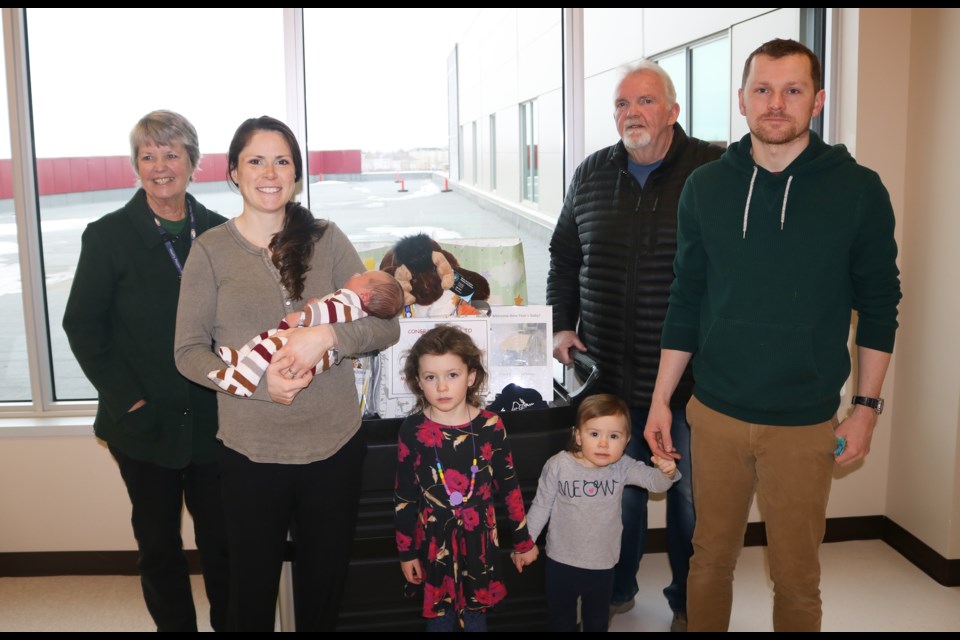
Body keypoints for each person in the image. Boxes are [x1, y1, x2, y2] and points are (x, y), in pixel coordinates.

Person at [644, 38, 902, 632]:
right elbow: (686, 299)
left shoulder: (858, 190)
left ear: (818, 100)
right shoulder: (706, 188)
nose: (776, 103)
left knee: (797, 576)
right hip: (715, 413)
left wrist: (864, 409)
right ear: (742, 100)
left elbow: (881, 306)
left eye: (793, 90)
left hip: (805, 422)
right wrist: (663, 399)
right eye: (763, 89)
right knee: (709, 561)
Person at [174, 115, 400, 632]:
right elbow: (188, 351)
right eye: (255, 160)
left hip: (334, 449)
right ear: (234, 172)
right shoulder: (210, 250)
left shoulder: (327, 238)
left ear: (296, 174)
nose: (269, 172)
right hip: (251, 455)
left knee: (324, 594)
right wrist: (258, 384)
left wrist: (329, 338)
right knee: (248, 599)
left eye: (282, 161)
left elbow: (385, 326)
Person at [546, 59, 723, 631]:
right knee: (610, 498)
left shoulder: (713, 171)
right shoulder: (592, 173)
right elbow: (565, 256)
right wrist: (562, 324)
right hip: (611, 383)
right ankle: (615, 589)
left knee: (689, 502)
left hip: (692, 383)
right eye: (622, 104)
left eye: (644, 101)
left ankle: (687, 603)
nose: (631, 113)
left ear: (672, 111)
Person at [62, 110, 229, 632]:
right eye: (148, 155)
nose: (160, 166)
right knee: (159, 548)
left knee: (225, 548)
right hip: (142, 424)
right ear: (136, 165)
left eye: (171, 153)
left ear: (193, 162)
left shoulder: (224, 234)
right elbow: (84, 327)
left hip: (215, 424)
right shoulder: (108, 236)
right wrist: (129, 403)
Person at [394, 324, 537, 632]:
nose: (442, 387)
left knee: (476, 622)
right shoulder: (412, 430)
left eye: (452, 375)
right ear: (418, 381)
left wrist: (523, 542)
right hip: (434, 548)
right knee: (440, 624)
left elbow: (509, 488)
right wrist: (406, 553)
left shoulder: (491, 426)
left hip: (479, 544)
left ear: (471, 376)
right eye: (431, 377)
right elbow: (404, 497)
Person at [514, 393, 679, 632]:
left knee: (597, 623)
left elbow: (656, 483)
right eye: (594, 434)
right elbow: (541, 506)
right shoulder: (559, 465)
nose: (603, 444)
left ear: (626, 440)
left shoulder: (622, 467)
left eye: (613, 436)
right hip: (561, 560)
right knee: (561, 622)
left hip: (602, 563)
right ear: (578, 435)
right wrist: (524, 543)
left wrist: (667, 472)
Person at [209, 269, 404, 397]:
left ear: (365, 295)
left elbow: (332, 312)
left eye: (362, 274)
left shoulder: (351, 302)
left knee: (270, 344)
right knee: (267, 338)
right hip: (301, 344)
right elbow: (330, 311)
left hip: (305, 350)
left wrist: (304, 317)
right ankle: (243, 359)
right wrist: (316, 306)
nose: (356, 272)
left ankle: (244, 380)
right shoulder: (351, 303)